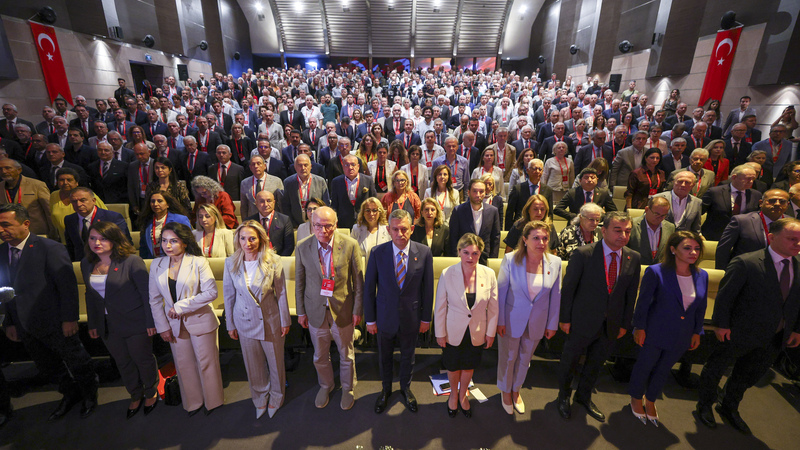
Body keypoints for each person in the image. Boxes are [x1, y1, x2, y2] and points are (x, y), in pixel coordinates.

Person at [696, 218, 800, 435]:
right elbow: (725, 298)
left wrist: (796, 329)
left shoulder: (798, 267)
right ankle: (704, 406)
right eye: (792, 239)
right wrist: (721, 325)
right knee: (716, 369)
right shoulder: (747, 262)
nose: (798, 244)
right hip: (738, 330)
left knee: (748, 375)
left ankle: (729, 406)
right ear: (772, 238)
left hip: (775, 336)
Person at [0, 203, 99, 420]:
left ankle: (90, 395)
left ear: (26, 224)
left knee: (77, 361)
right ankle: (69, 393)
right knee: (48, 367)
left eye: (6, 224)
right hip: (24, 324)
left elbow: (67, 287)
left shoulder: (49, 248)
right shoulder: (1, 252)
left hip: (55, 321)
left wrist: (70, 318)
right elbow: (4, 289)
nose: (1, 230)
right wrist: (9, 322)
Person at [556, 211, 641, 422]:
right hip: (581, 321)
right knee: (570, 362)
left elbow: (631, 295)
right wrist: (564, 319)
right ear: (603, 231)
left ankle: (583, 396)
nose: (623, 235)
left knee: (596, 364)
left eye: (627, 231)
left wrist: (625, 324)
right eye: (618, 230)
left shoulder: (633, 257)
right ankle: (563, 396)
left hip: (611, 324)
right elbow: (568, 290)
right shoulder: (583, 254)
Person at [81, 221, 159, 419]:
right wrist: (92, 323)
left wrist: (151, 322)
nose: (97, 242)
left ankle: (151, 391)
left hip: (135, 321)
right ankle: (135, 394)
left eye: (103, 238)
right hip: (107, 325)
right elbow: (90, 295)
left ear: (114, 240)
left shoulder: (131, 261)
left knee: (142, 359)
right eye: (93, 238)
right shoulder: (86, 263)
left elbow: (146, 293)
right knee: (122, 362)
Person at [629, 231, 707, 427]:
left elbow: (701, 307)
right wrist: (639, 327)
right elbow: (643, 303)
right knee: (645, 365)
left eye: (697, 248)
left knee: (664, 369)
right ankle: (636, 398)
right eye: (687, 248)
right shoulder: (656, 271)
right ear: (673, 250)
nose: (693, 252)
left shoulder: (701, 275)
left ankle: (652, 399)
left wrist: (697, 331)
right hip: (655, 329)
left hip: (683, 333)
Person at [149, 222, 223, 416]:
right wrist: (162, 327)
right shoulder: (157, 264)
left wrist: (180, 307)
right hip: (173, 325)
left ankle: (212, 402)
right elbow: (154, 301)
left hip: (201, 320)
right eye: (164, 241)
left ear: (184, 242)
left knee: (206, 363)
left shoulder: (198, 261)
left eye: (173, 241)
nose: (168, 245)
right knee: (183, 365)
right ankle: (194, 403)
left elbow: (211, 292)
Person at [364, 209, 434, 414]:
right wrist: (370, 320)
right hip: (384, 316)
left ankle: (405, 388)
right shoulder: (377, 252)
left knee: (408, 356)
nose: (399, 233)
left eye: (404, 229)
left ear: (411, 229)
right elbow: (369, 289)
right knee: (384, 356)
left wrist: (425, 319)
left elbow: (428, 289)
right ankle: (386, 389)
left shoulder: (424, 252)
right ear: (388, 230)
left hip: (411, 317)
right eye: (395, 229)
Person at [295, 207, 364, 411]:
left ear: (335, 224)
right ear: (311, 224)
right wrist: (301, 312)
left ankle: (347, 388)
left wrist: (357, 310)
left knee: (346, 354)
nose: (323, 230)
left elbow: (359, 283)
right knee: (319, 356)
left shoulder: (350, 245)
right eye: (318, 225)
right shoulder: (302, 246)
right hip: (315, 310)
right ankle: (326, 385)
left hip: (343, 309)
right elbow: (300, 282)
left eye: (328, 226)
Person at [223, 221, 291, 419]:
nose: (247, 243)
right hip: (244, 320)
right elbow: (228, 296)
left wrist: (285, 321)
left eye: (252, 238)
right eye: (243, 238)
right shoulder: (231, 262)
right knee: (253, 364)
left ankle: (277, 397)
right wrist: (230, 324)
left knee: (275, 362)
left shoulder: (274, 260)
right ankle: (260, 397)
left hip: (270, 320)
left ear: (261, 239)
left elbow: (282, 294)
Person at [497, 221, 561, 415]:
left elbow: (555, 296)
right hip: (510, 319)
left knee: (525, 358)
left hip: (537, 321)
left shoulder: (555, 262)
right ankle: (505, 391)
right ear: (524, 240)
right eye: (535, 238)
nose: (541, 242)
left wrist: (552, 323)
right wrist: (499, 320)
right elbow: (500, 293)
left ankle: (517, 389)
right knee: (508, 357)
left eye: (544, 238)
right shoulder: (510, 260)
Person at [435, 233, 499, 418]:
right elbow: (439, 307)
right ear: (459, 252)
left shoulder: (489, 274)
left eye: (475, 253)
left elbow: (494, 308)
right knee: (453, 366)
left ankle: (463, 395)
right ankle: (453, 395)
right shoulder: (448, 273)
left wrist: (490, 333)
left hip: (477, 330)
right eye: (466, 252)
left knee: (469, 366)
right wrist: (440, 333)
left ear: (480, 254)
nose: (470, 257)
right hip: (453, 330)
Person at [715, 189, 790, 270]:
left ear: (788, 205)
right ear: (761, 203)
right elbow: (723, 250)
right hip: (746, 271)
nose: (777, 204)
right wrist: (722, 273)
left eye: (782, 201)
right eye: (772, 201)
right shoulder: (741, 221)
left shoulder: (793, 224)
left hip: (781, 271)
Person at [64, 187, 130, 262]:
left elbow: (124, 243)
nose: (78, 204)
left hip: (110, 262)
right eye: (74, 201)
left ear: (93, 201)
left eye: (83, 200)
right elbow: (71, 247)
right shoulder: (69, 219)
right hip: (82, 263)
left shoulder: (112, 217)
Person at [0, 158, 57, 239]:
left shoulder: (37, 185)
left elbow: (49, 210)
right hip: (10, 235)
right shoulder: (0, 187)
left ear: (19, 170)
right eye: (0, 169)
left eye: (7, 168)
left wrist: (53, 233)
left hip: (36, 233)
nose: (4, 172)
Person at [701, 165, 761, 241]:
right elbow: (698, 212)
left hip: (743, 237)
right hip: (715, 236)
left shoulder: (756, 195)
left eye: (753, 179)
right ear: (734, 177)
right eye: (748, 178)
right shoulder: (715, 192)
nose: (751, 182)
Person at [449, 179, 501, 265]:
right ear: (468, 192)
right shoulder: (458, 211)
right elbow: (453, 237)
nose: (478, 195)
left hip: (484, 258)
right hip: (464, 259)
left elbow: (495, 238)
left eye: (481, 192)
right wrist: (456, 258)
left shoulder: (493, 211)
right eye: (475, 191)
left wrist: (492, 260)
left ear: (485, 193)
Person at [49, 168, 108, 242]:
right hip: (65, 241)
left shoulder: (87, 195)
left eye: (69, 180)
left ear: (76, 183)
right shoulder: (53, 196)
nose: (65, 183)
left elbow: (105, 215)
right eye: (61, 180)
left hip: (91, 240)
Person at [138, 191, 191, 259]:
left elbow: (189, 242)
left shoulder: (180, 219)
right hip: (153, 262)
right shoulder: (146, 221)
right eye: (152, 201)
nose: (155, 204)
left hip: (176, 261)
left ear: (168, 204)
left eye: (160, 201)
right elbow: (143, 247)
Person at [330, 154, 378, 229]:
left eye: (353, 164)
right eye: (347, 165)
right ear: (343, 167)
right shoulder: (336, 182)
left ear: (358, 166)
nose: (350, 168)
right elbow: (334, 205)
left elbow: (374, 202)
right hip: (343, 223)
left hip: (364, 221)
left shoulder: (368, 180)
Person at [281, 154, 330, 228]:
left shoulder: (320, 181)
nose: (303, 168)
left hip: (318, 224)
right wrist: (293, 224)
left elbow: (326, 204)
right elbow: (286, 206)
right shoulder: (288, 182)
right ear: (295, 167)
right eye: (299, 165)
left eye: (305, 165)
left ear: (311, 166)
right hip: (296, 225)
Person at [505, 158, 554, 229]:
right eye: (534, 168)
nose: (537, 171)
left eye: (540, 169)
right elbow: (510, 212)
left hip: (540, 228)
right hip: (520, 227)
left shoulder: (548, 190)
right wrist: (508, 231)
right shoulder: (518, 189)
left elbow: (550, 213)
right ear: (528, 170)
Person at [627, 196, 675, 266]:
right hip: (636, 269)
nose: (659, 218)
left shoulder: (670, 227)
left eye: (663, 215)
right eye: (656, 214)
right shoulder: (631, 225)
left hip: (660, 270)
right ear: (647, 209)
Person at [244, 190, 294, 257]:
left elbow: (289, 246)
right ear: (256, 203)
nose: (266, 204)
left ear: (274, 202)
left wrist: (279, 260)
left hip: (278, 259)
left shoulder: (284, 220)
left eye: (269, 201)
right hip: (255, 259)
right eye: (262, 201)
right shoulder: (249, 221)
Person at [239, 155, 285, 221]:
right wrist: (245, 222)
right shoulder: (245, 183)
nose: (256, 166)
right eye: (253, 164)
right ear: (250, 167)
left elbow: (281, 204)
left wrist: (281, 221)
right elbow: (244, 206)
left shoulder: (276, 181)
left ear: (264, 166)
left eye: (259, 163)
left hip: (272, 220)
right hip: (252, 220)